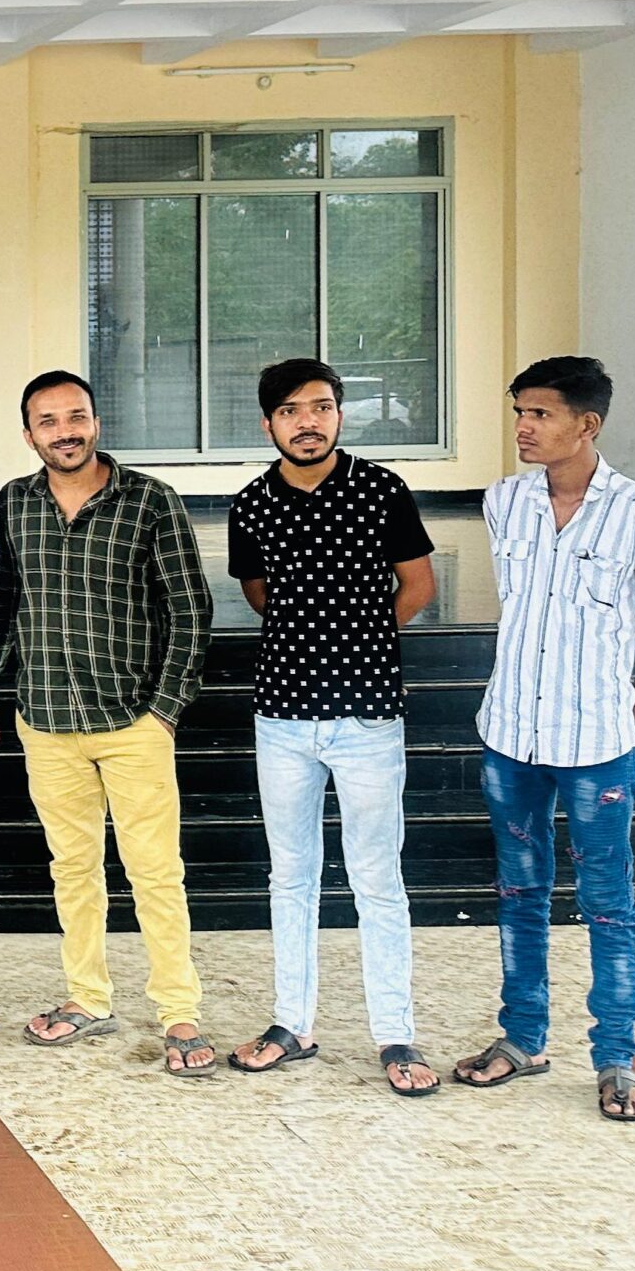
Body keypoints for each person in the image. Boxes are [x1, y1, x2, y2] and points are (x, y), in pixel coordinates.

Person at [455, 357, 635, 1123]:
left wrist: (618, 710)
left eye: (541, 414)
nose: (523, 427)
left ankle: (616, 1058)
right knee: (519, 891)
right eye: (519, 412)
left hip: (597, 750)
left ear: (587, 424)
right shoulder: (505, 501)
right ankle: (521, 1037)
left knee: (607, 900)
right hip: (510, 737)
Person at [0, 370, 217, 1077]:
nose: (65, 431)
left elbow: (190, 608)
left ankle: (178, 1010)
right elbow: (5, 601)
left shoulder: (150, 499)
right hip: (47, 716)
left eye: (75, 416)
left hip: (132, 717)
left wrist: (166, 709)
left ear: (96, 422)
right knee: (73, 869)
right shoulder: (14, 502)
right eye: (48, 421)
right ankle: (88, 996)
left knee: (155, 871)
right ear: (29, 435)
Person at [223, 360, 439, 1096]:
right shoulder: (252, 504)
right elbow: (260, 594)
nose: (307, 421)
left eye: (320, 406)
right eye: (290, 410)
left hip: (368, 715)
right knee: (291, 875)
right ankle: (293, 1023)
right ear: (268, 423)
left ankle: (395, 1033)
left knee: (377, 877)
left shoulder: (381, 491)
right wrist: (312, 640)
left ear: (340, 415)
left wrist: (361, 641)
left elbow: (418, 584)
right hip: (282, 716)